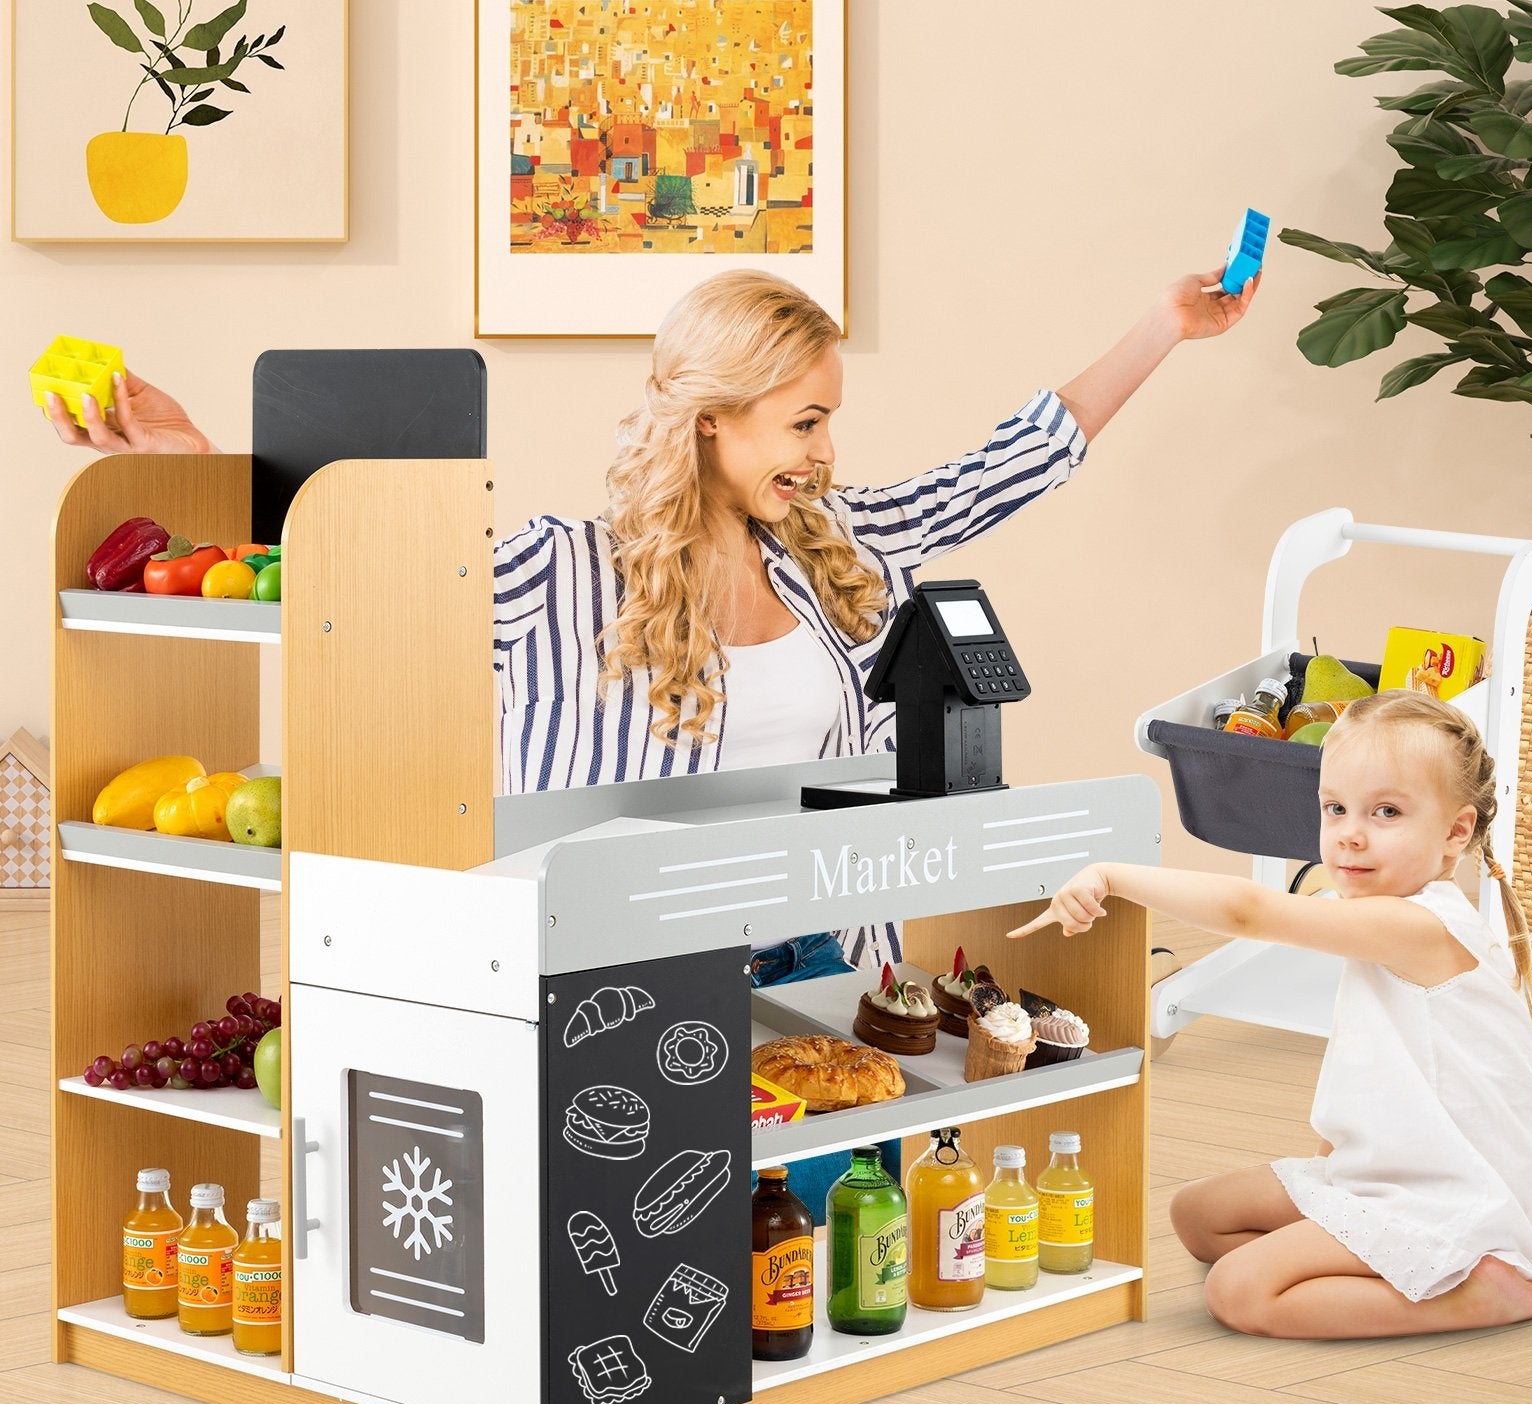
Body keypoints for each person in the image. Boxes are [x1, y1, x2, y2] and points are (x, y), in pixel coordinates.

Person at [48, 264, 1258, 982]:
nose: (827, 452)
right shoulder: (555, 575)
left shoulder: (839, 548)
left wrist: (1165, 326)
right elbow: (354, 585)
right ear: (711, 420)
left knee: (824, 1244)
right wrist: (203, 461)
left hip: (822, 959)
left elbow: (1007, 466)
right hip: (616, 975)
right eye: (802, 423)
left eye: (830, 419)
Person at [1011, 689, 1532, 1339]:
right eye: (1335, 808)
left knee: (1239, 1292)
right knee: (1198, 1215)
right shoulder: (1391, 912)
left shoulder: (1420, 924)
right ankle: (1375, 1264)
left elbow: (1250, 912)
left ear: (1456, 831)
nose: (1350, 833)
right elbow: (1390, 1063)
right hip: (1377, 1171)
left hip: (1445, 1201)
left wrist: (1111, 875)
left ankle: (1477, 1294)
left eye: (1387, 811)